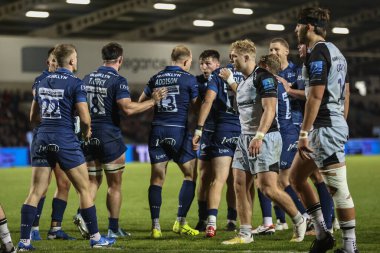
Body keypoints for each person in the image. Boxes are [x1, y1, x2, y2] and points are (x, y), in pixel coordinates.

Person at [18, 44, 115, 251]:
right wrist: (86, 131)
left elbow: (33, 117)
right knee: (83, 188)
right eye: (76, 58)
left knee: (35, 191)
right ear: (71, 61)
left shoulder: (41, 81)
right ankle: (96, 238)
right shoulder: (75, 83)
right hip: (65, 138)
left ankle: (24, 242)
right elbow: (85, 117)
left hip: (42, 137)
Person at [220, 39, 306, 245]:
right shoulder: (246, 80)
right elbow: (244, 95)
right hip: (245, 137)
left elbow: (270, 109)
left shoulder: (265, 77)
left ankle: (300, 219)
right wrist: (231, 80)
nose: (231, 60)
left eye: (234, 57)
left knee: (268, 188)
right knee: (239, 185)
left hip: (265, 137)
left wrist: (259, 136)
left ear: (246, 57)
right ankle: (245, 233)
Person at [80, 42, 167, 239]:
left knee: (93, 181)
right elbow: (127, 109)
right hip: (109, 136)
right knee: (114, 185)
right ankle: (113, 228)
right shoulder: (118, 80)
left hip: (88, 135)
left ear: (103, 58)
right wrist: (153, 101)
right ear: (120, 59)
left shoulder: (86, 78)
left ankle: (82, 214)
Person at [291, 7, 358, 253]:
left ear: (308, 26)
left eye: (297, 25)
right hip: (330, 124)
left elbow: (316, 96)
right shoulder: (336, 52)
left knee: (338, 189)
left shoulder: (318, 53)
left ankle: (350, 247)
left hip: (324, 127)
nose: (295, 30)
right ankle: (322, 234)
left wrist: (303, 133)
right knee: (296, 178)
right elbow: (346, 91)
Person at [138, 45, 199, 238]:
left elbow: (141, 103)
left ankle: (155, 227)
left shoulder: (156, 77)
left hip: (157, 131)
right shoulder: (189, 79)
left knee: (157, 178)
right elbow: (198, 107)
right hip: (178, 132)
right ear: (186, 61)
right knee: (190, 175)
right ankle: (181, 222)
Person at [252, 38, 310, 235]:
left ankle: (306, 217)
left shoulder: (272, 83)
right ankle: (283, 220)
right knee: (272, 181)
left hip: (286, 133)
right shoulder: (276, 82)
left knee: (282, 182)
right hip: (286, 132)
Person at [192, 60, 243, 237]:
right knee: (240, 182)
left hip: (221, 130)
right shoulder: (252, 74)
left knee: (218, 179)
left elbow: (208, 100)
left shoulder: (218, 74)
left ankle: (211, 223)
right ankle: (236, 221)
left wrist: (199, 128)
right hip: (244, 130)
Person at [30, 47, 75, 241]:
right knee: (42, 186)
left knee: (64, 183)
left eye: (57, 61)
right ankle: (33, 228)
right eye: (53, 61)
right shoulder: (41, 81)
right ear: (48, 62)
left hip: (63, 137)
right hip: (44, 137)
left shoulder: (68, 81)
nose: (55, 64)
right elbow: (35, 114)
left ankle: (55, 229)